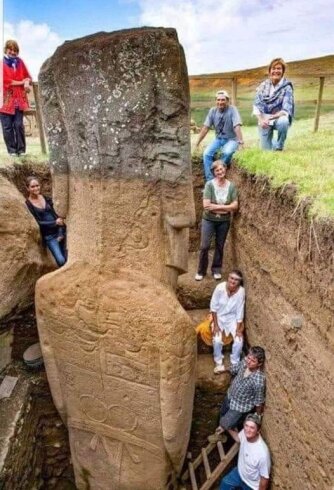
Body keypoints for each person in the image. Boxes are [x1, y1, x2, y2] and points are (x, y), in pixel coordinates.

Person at [208, 346, 266, 443]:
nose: (249, 361)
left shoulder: (258, 380)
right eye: (249, 357)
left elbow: (258, 400)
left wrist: (258, 415)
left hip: (240, 406)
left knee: (224, 423)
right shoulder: (244, 362)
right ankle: (226, 431)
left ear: (259, 364)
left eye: (253, 361)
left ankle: (219, 435)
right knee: (222, 414)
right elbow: (235, 368)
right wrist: (223, 369)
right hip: (230, 395)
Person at [195, 161, 238, 281]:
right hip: (209, 220)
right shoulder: (209, 185)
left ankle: (216, 269)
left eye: (222, 169)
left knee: (220, 245)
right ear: (214, 172)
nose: (220, 172)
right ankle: (201, 271)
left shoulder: (231, 186)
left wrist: (216, 207)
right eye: (217, 170)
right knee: (204, 246)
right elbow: (206, 205)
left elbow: (235, 206)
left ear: (225, 169)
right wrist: (226, 208)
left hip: (224, 221)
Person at [195, 90, 244, 181]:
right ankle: (210, 181)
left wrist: (240, 143)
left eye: (223, 100)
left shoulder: (232, 110)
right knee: (206, 154)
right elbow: (206, 128)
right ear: (215, 101)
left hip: (232, 139)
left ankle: (218, 175)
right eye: (218, 100)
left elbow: (237, 126)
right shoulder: (212, 111)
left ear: (227, 100)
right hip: (219, 139)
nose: (220, 102)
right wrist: (197, 143)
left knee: (227, 152)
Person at [219, 413, 271, 490]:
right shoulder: (244, 432)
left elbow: (264, 479)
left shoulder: (262, 453)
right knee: (224, 484)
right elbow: (238, 438)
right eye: (246, 426)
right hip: (240, 473)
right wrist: (227, 427)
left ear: (258, 430)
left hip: (252, 485)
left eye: (252, 428)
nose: (248, 430)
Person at [253, 57, 294, 151]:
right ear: (270, 71)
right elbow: (256, 106)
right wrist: (261, 120)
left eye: (279, 68)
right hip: (264, 120)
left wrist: (272, 117)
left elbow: (285, 110)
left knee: (284, 122)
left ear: (283, 71)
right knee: (266, 151)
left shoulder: (287, 87)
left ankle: (280, 146)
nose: (276, 71)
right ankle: (272, 142)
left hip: (278, 118)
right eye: (273, 68)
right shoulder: (263, 86)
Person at [25, 177, 67, 267]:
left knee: (68, 258)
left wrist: (60, 232)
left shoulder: (46, 198)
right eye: (32, 186)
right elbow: (37, 222)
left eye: (37, 185)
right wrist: (54, 223)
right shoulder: (28, 204)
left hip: (61, 230)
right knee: (61, 261)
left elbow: (57, 214)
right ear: (27, 188)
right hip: (49, 236)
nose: (36, 188)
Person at [0, 40, 32, 156]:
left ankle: (21, 150)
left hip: (19, 99)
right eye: (10, 49)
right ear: (6, 50)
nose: (13, 52)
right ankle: (12, 151)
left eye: (15, 50)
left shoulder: (20, 62)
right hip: (5, 101)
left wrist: (27, 82)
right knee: (7, 127)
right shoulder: (1, 64)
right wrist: (22, 82)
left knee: (18, 124)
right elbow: (6, 82)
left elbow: (27, 76)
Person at [210, 269, 245, 373]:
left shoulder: (241, 291)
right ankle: (218, 361)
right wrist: (216, 325)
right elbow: (213, 307)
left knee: (239, 340)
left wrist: (238, 329)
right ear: (228, 278)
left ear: (239, 282)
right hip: (219, 317)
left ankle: (235, 363)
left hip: (232, 319)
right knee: (217, 339)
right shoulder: (220, 288)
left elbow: (240, 311)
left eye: (236, 280)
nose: (233, 281)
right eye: (231, 278)